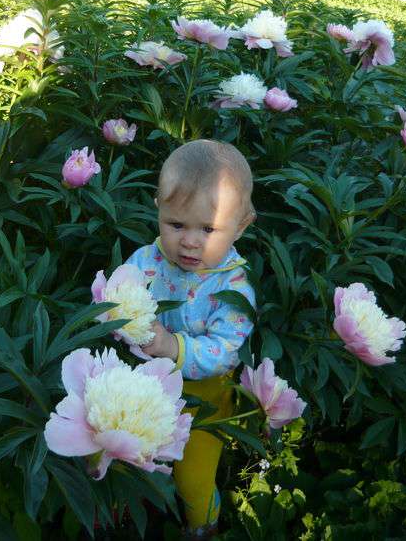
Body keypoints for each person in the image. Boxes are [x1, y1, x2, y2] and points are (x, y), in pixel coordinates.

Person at [124, 139, 256, 538]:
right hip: (145, 387)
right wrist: (117, 313)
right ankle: (129, 501)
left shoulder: (234, 288)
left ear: (242, 225)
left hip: (205, 400)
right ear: (159, 209)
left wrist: (172, 347)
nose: (190, 242)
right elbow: (120, 294)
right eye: (176, 224)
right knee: (129, 456)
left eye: (209, 229)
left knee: (192, 478)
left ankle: (203, 522)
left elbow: (225, 351)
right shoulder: (148, 260)